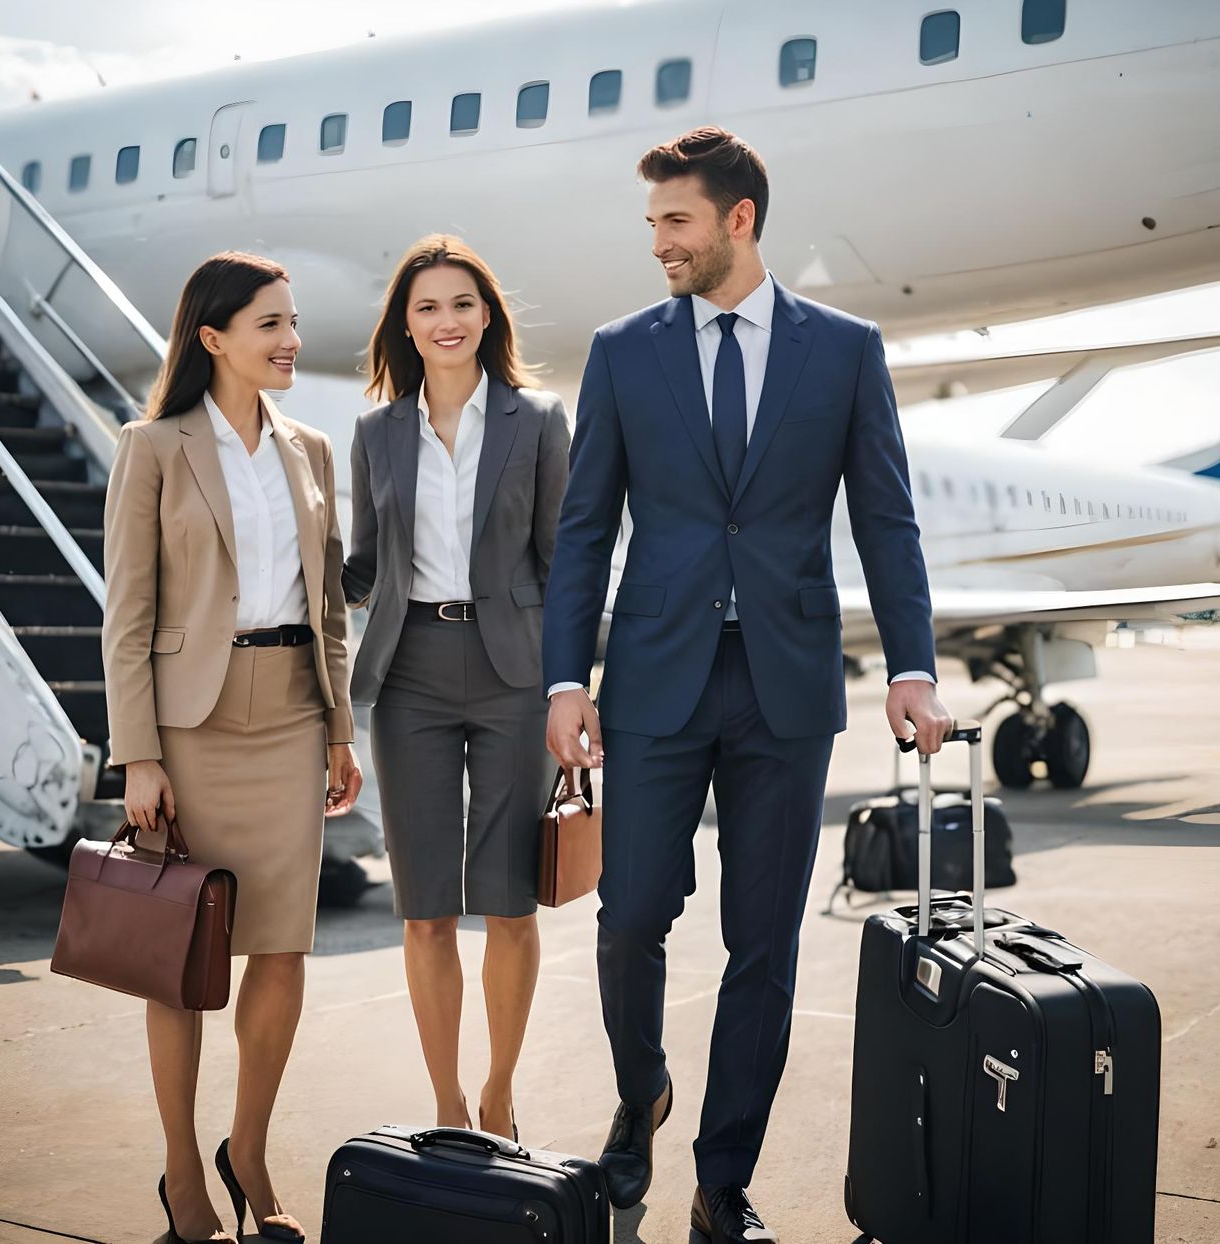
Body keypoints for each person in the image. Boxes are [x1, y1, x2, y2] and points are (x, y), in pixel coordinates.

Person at [542, 127, 953, 1243]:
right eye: (652, 224)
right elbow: (583, 531)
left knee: (761, 943)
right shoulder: (624, 350)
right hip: (651, 678)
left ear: (738, 218)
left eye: (676, 221)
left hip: (786, 682)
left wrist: (912, 666)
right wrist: (562, 681)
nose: (659, 243)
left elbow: (886, 516)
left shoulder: (844, 349)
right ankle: (642, 1090)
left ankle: (722, 1181)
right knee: (629, 918)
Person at [102, 251, 361, 1244]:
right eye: (270, 324)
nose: (291, 339)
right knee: (183, 956)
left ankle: (246, 1148)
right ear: (212, 337)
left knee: (283, 945)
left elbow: (327, 606)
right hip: (190, 724)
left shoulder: (312, 449)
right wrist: (140, 752)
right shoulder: (154, 445)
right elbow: (129, 615)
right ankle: (181, 1168)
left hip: (292, 712)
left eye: (291, 320)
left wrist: (340, 727)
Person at [342, 235, 570, 1140]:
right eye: (429, 307)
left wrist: (573, 689)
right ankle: (445, 1108)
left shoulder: (539, 419)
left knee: (510, 900)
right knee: (426, 905)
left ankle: (501, 1091)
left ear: (489, 316)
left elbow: (565, 561)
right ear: (406, 323)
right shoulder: (375, 433)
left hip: (515, 670)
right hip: (411, 679)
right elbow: (363, 566)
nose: (447, 321)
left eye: (463, 304)